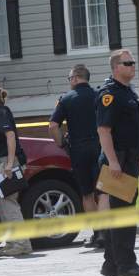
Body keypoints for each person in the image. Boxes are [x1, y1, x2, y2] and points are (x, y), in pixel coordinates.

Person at [96, 49, 139, 276]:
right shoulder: (109, 94)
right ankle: (126, 265)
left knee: (120, 213)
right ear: (116, 67)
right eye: (128, 63)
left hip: (129, 159)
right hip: (118, 161)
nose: (132, 66)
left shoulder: (127, 93)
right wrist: (113, 162)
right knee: (124, 215)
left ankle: (111, 264)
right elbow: (103, 130)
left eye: (133, 63)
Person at [48, 64, 107, 248]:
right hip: (99, 147)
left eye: (69, 79)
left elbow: (53, 126)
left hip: (79, 150)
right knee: (103, 192)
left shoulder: (66, 99)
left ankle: (97, 234)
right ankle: (107, 233)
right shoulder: (99, 96)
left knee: (87, 194)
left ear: (74, 78)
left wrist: (61, 144)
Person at [0, 82, 33, 256]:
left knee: (9, 203)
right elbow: (3, 137)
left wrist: (9, 164)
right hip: (2, 161)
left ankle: (22, 244)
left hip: (8, 162)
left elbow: (10, 135)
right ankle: (12, 244)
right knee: (3, 205)